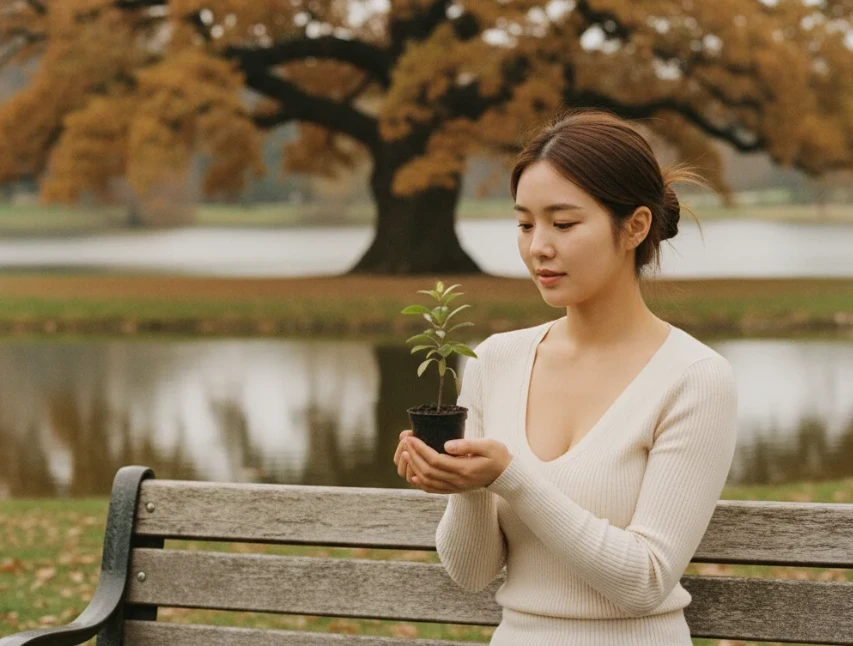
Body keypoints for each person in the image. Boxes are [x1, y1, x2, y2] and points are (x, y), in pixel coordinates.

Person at [392, 108, 739, 645]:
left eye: (564, 223)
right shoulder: (496, 360)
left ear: (636, 226)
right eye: (525, 224)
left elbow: (646, 581)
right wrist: (466, 486)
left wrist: (510, 477)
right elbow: (471, 572)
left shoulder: (694, 379)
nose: (538, 248)